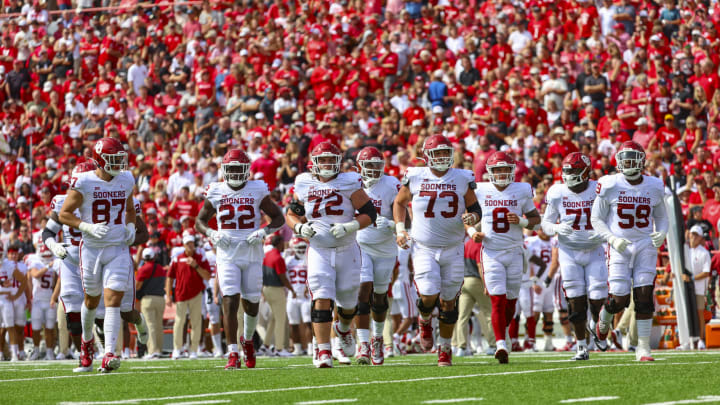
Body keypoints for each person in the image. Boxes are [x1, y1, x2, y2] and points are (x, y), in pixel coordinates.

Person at [285, 141, 376, 368]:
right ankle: (324, 351)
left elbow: (370, 213)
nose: (326, 164)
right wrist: (298, 227)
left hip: (347, 249)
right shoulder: (304, 183)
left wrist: (350, 226)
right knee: (322, 298)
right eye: (322, 159)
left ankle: (343, 328)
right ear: (314, 163)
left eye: (330, 159)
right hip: (319, 250)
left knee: (347, 303)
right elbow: (291, 214)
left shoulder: (348, 181)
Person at [393, 134, 482, 367]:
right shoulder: (415, 176)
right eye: (437, 153)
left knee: (449, 301)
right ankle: (424, 320)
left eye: (445, 153)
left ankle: (444, 349)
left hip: (453, 247)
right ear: (426, 156)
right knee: (429, 294)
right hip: (424, 247)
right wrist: (401, 229)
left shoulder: (462, 177)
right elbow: (399, 203)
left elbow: (475, 208)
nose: (442, 157)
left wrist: (473, 217)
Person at [195, 148, 285, 369]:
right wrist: (212, 233)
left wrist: (264, 232)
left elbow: (279, 218)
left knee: (252, 303)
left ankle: (247, 340)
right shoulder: (216, 191)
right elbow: (200, 221)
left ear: (247, 170)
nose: (235, 173)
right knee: (230, 300)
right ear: (224, 170)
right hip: (227, 255)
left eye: (239, 169)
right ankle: (232, 352)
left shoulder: (257, 189)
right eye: (231, 169)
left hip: (252, 253)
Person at [59, 137, 136, 373]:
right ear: (101, 160)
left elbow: (131, 209)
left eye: (120, 158)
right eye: (113, 159)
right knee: (91, 301)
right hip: (91, 248)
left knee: (113, 301)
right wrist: (87, 227)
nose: (118, 164)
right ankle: (86, 344)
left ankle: (109, 353)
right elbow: (64, 214)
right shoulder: (85, 181)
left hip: (117, 248)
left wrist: (131, 226)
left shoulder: (126, 179)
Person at [591, 141, 668, 362]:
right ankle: (605, 316)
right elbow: (596, 218)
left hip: (645, 243)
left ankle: (643, 347)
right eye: (625, 158)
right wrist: (612, 239)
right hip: (619, 246)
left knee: (644, 296)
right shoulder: (609, 183)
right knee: (620, 298)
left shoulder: (654, 185)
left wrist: (661, 232)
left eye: (633, 158)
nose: (628, 162)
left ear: (642, 161)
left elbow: (662, 216)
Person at [471, 151, 541, 364]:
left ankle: (505, 335)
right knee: (497, 300)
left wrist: (521, 221)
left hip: (514, 251)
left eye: (505, 169)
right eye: (497, 169)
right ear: (490, 172)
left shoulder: (521, 190)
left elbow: (536, 221)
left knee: (511, 302)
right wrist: (474, 230)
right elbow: (470, 216)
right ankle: (500, 343)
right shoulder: (480, 190)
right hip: (491, 252)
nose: (501, 173)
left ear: (512, 171)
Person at [541, 152, 608, 360]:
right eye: (567, 170)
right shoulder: (557, 192)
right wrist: (558, 227)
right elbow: (545, 224)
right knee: (574, 300)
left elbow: (611, 216)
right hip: (568, 252)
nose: (570, 174)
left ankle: (596, 326)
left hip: (595, 249)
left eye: (574, 170)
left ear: (586, 172)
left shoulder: (599, 189)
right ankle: (581, 346)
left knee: (597, 298)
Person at [354, 146, 400, 366]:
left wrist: (392, 224)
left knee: (380, 296)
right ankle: (363, 343)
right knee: (364, 289)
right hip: (360, 244)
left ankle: (378, 338)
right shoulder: (351, 183)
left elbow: (404, 215)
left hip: (385, 247)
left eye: (376, 164)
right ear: (359, 166)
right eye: (368, 164)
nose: (373, 169)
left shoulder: (391, 184)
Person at [166, 234, 211, 360]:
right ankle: (177, 348)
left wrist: (196, 266)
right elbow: (170, 277)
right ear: (184, 245)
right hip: (181, 294)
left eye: (192, 243)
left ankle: (194, 349)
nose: (190, 246)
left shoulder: (200, 258)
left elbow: (207, 276)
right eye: (188, 243)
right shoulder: (177, 259)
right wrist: (169, 295)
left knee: (196, 322)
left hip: (196, 294)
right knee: (179, 322)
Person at [453, 237, 495, 357]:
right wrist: (486, 284)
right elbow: (480, 266)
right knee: (488, 313)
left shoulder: (466, 244)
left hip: (464, 281)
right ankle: (492, 345)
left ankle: (461, 347)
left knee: (462, 316)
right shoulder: (478, 245)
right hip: (475, 280)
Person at [261, 234, 295, 357]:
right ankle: (279, 349)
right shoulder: (278, 258)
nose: (284, 246)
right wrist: (292, 290)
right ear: (279, 243)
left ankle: (265, 345)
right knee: (281, 319)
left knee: (274, 318)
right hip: (276, 290)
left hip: (266, 289)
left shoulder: (266, 255)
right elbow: (283, 277)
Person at [27, 241, 57, 360]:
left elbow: (55, 283)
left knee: (50, 328)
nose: (46, 256)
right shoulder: (36, 263)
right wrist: (49, 266)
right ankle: (36, 351)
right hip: (37, 301)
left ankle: (49, 352)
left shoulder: (53, 264)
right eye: (44, 254)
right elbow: (35, 274)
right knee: (36, 328)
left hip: (49, 299)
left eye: (48, 254)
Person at [135, 247, 167, 359]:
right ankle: (159, 349)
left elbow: (137, 286)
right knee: (159, 325)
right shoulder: (160, 268)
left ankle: (153, 351)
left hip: (148, 299)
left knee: (150, 325)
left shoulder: (143, 269)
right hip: (160, 299)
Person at [0, 243, 29, 362]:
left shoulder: (9, 265)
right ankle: (2, 353)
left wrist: (17, 295)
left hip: (7, 299)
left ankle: (15, 354)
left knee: (11, 327)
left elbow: (24, 280)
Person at [684, 225, 711, 349]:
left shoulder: (704, 253)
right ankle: (686, 339)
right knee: (686, 313)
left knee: (699, 313)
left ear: (700, 237)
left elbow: (706, 272)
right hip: (687, 287)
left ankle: (701, 339)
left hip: (699, 288)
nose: (693, 237)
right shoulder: (686, 251)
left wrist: (692, 278)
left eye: (696, 235)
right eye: (692, 234)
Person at [285, 237, 311, 356]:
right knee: (293, 323)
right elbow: (283, 274)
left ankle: (311, 347)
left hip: (305, 296)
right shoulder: (288, 260)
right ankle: (297, 348)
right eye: (299, 247)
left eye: (303, 247)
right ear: (294, 248)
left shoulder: (309, 259)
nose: (301, 250)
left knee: (308, 322)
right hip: (292, 295)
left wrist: (308, 286)